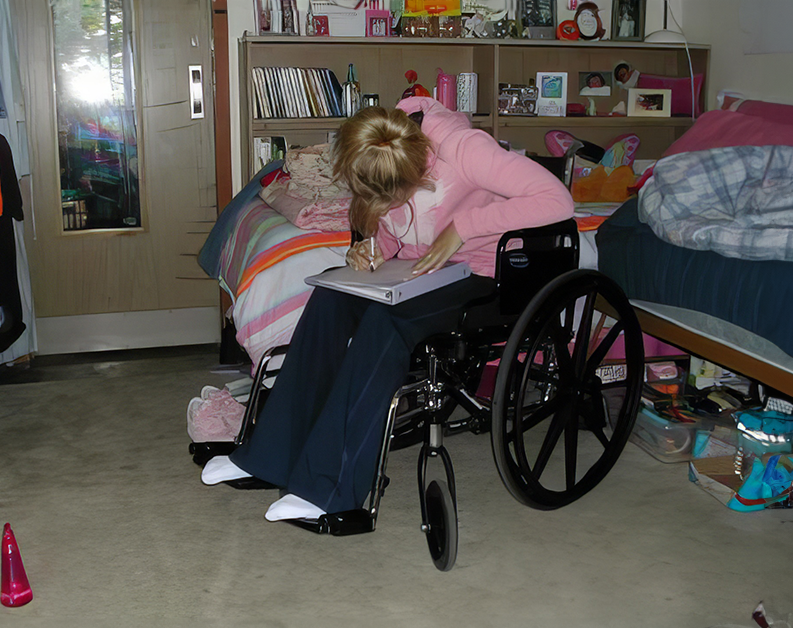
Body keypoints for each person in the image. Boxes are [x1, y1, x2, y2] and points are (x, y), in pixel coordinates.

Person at [201, 97, 574, 522]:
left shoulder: (464, 148)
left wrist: (462, 229)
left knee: (385, 321)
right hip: (424, 272)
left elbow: (557, 200)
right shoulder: (376, 153)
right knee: (331, 295)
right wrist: (372, 251)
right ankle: (268, 457)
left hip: (489, 277)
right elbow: (401, 230)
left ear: (416, 170)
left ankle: (330, 487)